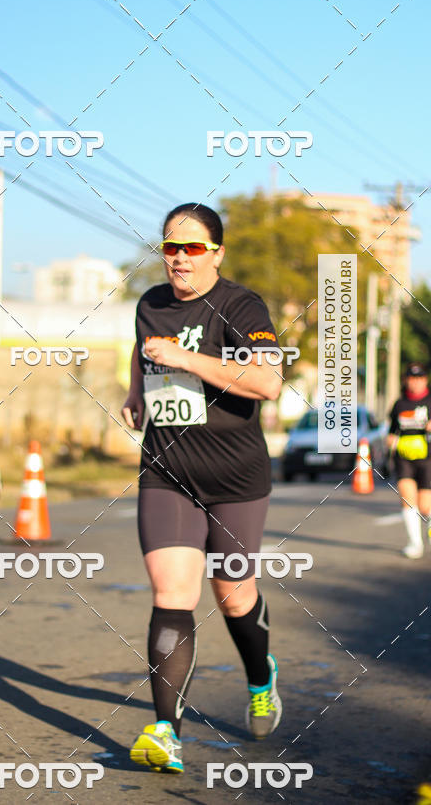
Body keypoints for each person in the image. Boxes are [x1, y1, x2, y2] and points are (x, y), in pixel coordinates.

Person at [121, 203, 283, 774]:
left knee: (233, 593)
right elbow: (143, 351)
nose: (180, 258)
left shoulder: (241, 306)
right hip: (168, 470)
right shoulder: (150, 304)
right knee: (172, 592)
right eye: (171, 247)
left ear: (216, 253)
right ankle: (166, 732)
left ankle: (260, 678)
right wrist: (136, 392)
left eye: (192, 248)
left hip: (235, 477)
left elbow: (267, 381)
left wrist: (187, 358)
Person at [387, 363, 431, 559]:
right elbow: (392, 428)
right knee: (407, 499)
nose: (415, 382)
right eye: (411, 378)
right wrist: (390, 438)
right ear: (406, 380)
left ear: (425, 380)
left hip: (428, 458)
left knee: (424, 506)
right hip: (404, 458)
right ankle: (415, 544)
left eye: (419, 378)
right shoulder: (400, 404)